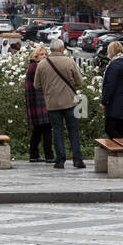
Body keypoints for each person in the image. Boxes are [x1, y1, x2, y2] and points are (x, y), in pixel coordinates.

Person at [35, 38, 85, 169]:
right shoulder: (69, 62)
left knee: (57, 131)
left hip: (52, 103)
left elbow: (37, 85)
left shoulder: (42, 64)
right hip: (70, 102)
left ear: (50, 49)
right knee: (73, 130)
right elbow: (79, 81)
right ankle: (77, 159)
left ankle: (60, 160)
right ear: (62, 49)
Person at [25, 46, 54, 163]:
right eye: (42, 54)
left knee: (38, 129)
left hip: (35, 102)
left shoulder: (32, 66)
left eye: (46, 54)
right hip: (40, 101)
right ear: (36, 56)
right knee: (47, 128)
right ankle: (49, 155)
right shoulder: (37, 67)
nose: (44, 56)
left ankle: (34, 154)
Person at [101, 40, 123, 138]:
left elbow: (110, 85)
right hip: (122, 99)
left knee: (110, 129)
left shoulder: (114, 65)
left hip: (115, 101)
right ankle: (122, 150)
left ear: (112, 51)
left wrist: (104, 101)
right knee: (119, 128)